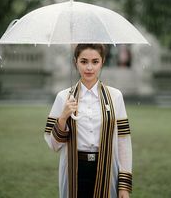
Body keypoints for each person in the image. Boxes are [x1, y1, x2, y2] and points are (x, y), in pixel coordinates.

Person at [44, 44, 132, 198]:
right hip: (74, 168)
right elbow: (53, 145)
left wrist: (124, 186)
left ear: (102, 62)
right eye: (84, 61)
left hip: (106, 168)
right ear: (75, 62)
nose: (89, 67)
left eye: (95, 61)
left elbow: (123, 142)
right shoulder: (63, 97)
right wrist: (63, 117)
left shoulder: (115, 96)